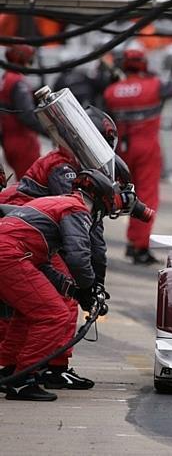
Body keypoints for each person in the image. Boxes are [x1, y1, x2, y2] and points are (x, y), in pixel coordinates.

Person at [0, 106, 118, 390]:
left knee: (33, 308)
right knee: (53, 312)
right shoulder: (71, 194)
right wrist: (90, 287)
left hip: (20, 246)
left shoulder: (68, 184)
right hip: (13, 249)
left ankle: (12, 368)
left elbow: (44, 263)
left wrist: (75, 288)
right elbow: (82, 252)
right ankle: (30, 375)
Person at [103, 48, 172, 264]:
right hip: (147, 148)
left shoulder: (112, 91)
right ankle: (139, 246)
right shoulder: (153, 86)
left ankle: (128, 241)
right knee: (147, 197)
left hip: (121, 150)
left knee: (118, 196)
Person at [0, 45, 45, 179]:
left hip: (9, 141)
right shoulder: (18, 81)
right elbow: (27, 115)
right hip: (24, 143)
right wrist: (50, 131)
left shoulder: (5, 78)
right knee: (33, 184)